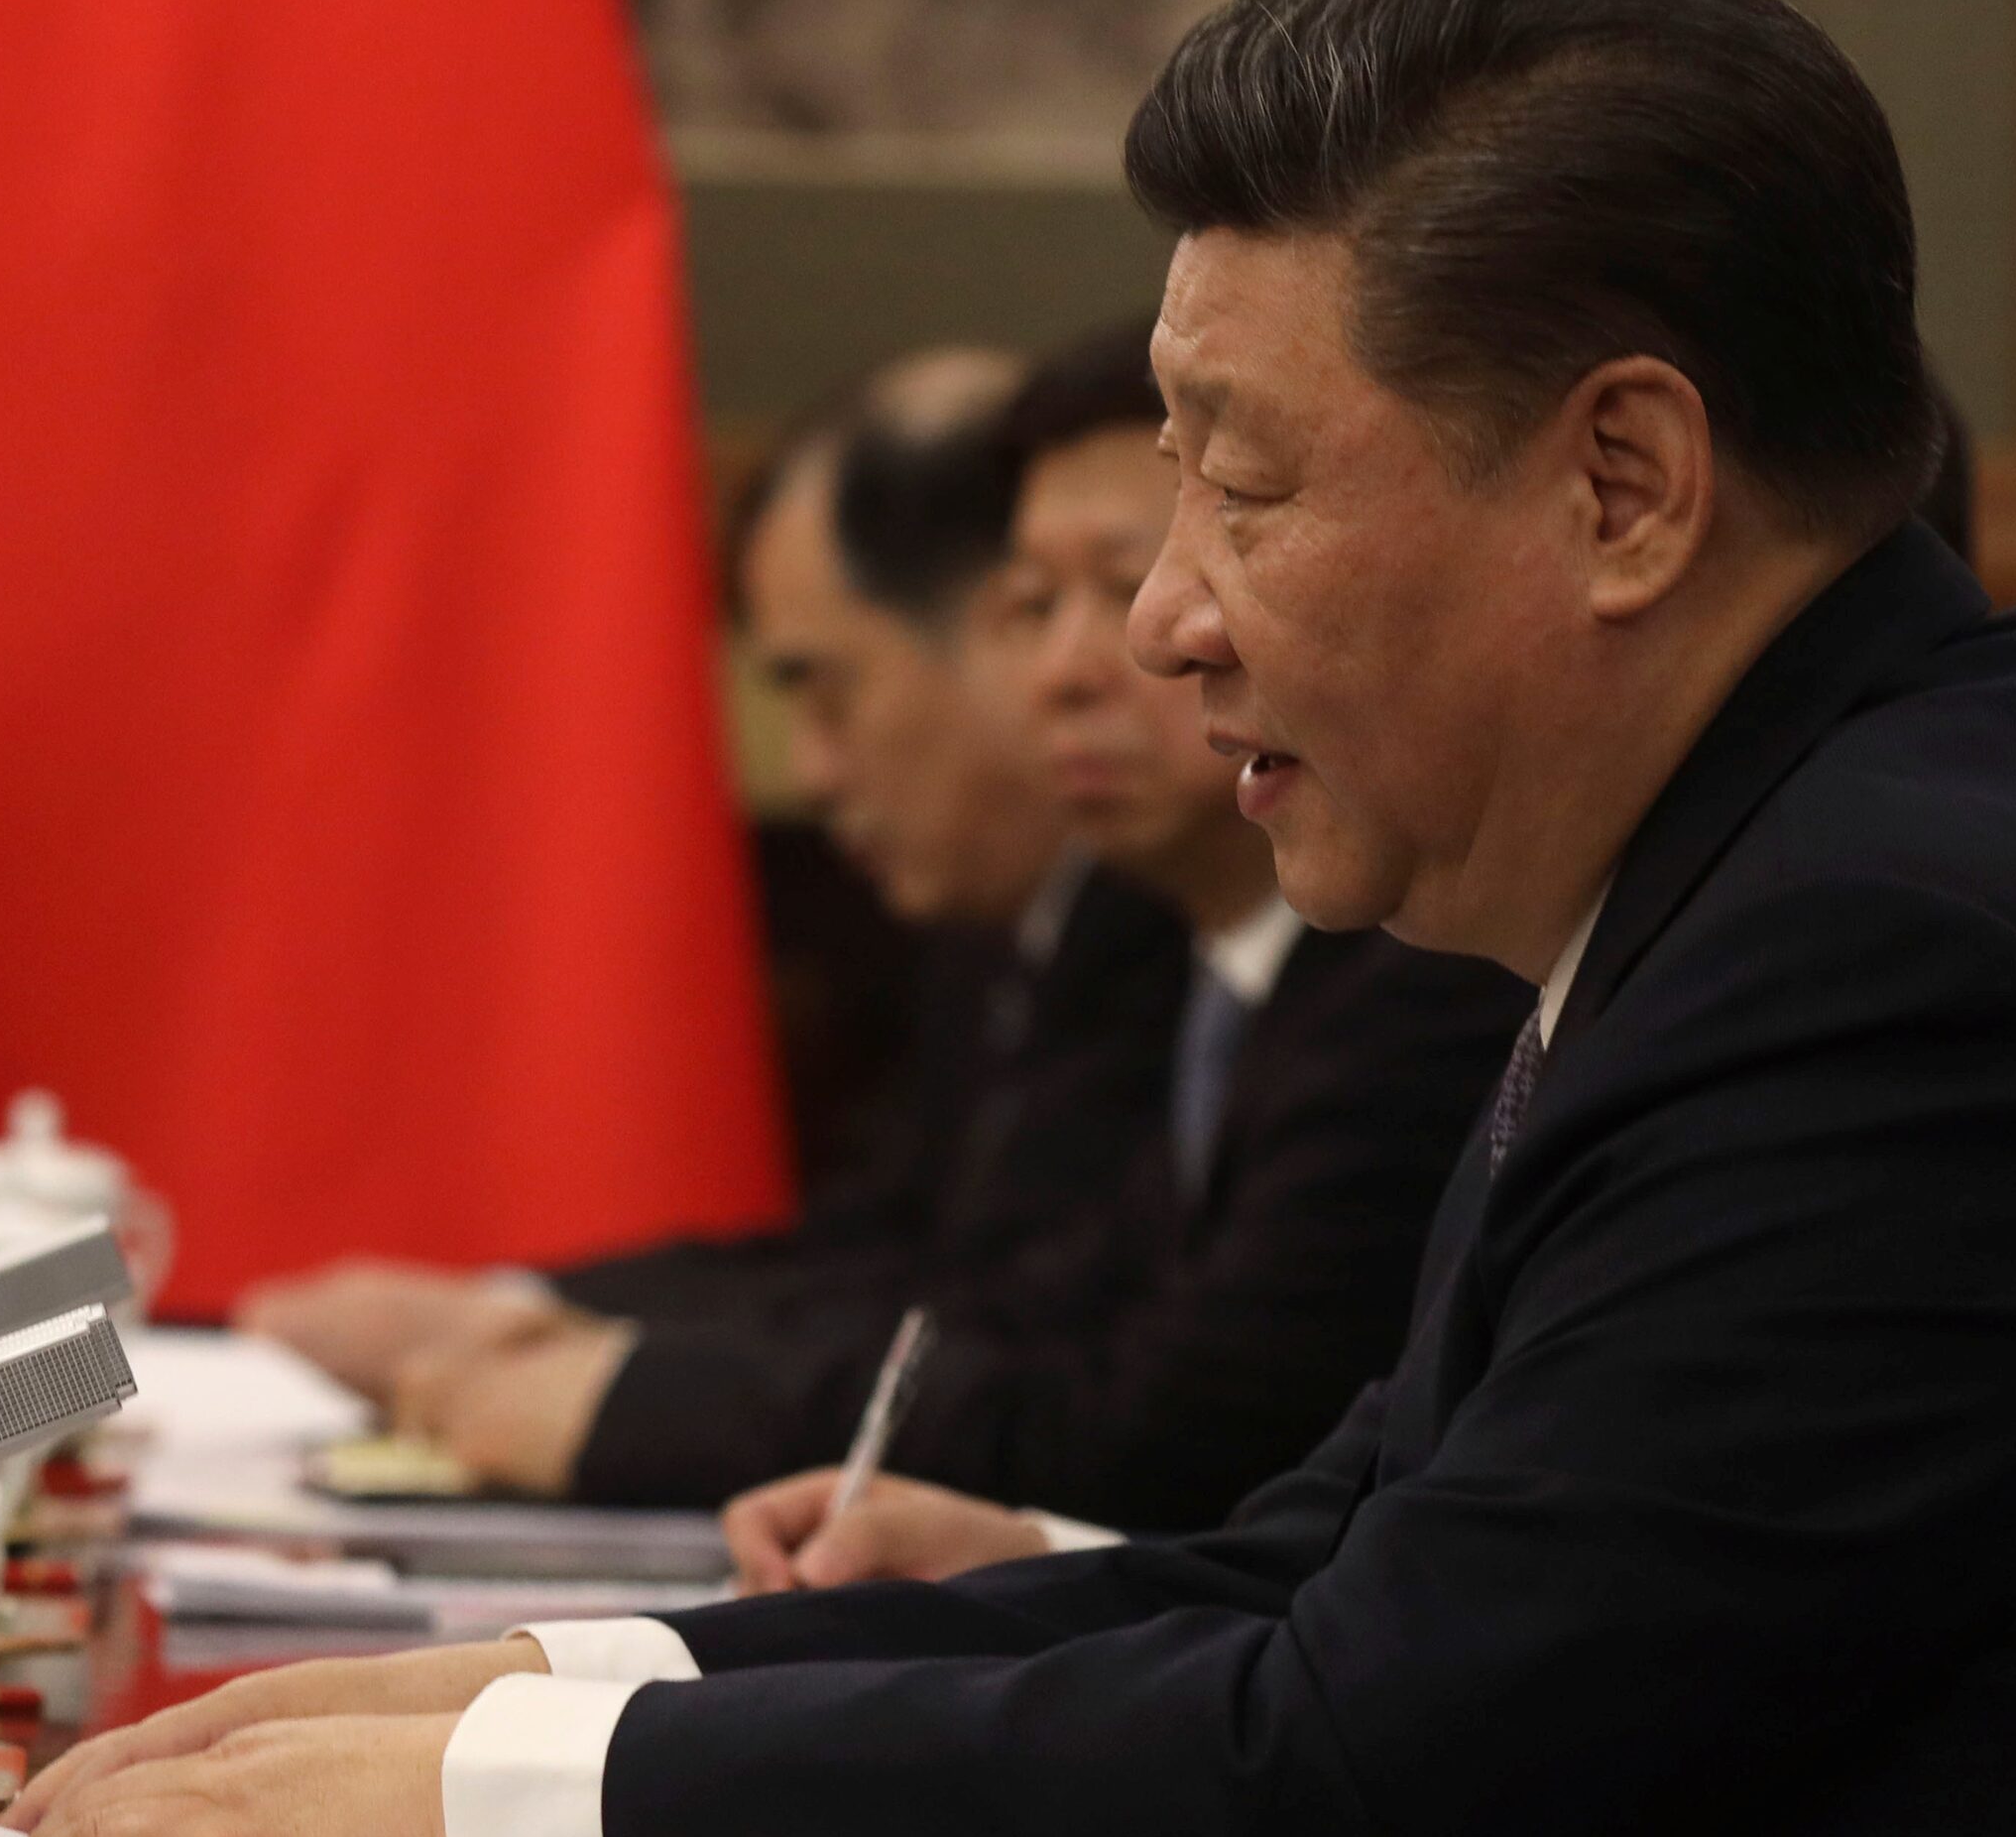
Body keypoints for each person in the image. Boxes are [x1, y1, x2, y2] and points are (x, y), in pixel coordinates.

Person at [2, 0, 2016, 1837]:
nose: (1163, 619)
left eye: (1240, 487)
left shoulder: (1898, 951)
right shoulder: (1758, 851)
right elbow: (1319, 1568)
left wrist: (495, 1812)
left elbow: (1361, 1763)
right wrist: (549, 1693)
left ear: (1621, 486)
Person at [449, 323, 1529, 1531]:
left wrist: (636, 1401)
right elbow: (999, 1300)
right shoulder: (1174, 956)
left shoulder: (1416, 974)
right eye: (1030, 606)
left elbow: (1194, 1430)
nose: (1066, 669)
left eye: (1123, 584)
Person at [244, 351, 1184, 1434]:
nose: (814, 773)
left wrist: (590, 1394)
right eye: (1046, 607)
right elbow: (888, 1258)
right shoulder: (1006, 938)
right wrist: (526, 1318)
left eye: (826, 691)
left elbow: (1128, 1393)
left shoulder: (1192, 934)